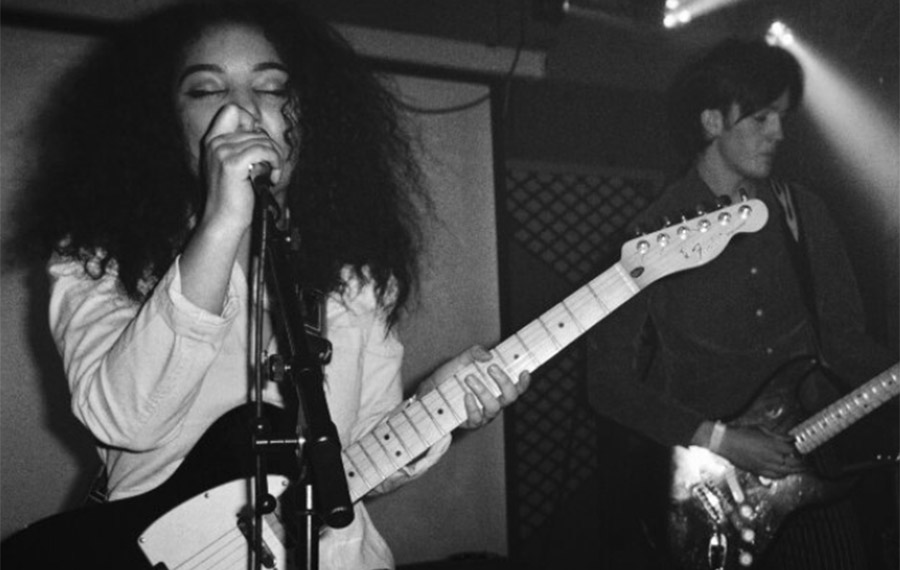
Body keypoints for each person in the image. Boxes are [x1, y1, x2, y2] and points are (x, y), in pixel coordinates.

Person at [3, 1, 530, 568]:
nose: (243, 110)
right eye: (206, 91)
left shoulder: (352, 278)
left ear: (304, 114)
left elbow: (353, 461)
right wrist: (222, 221)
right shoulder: (97, 258)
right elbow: (124, 419)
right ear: (162, 122)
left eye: (272, 87)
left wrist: (437, 406)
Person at [586, 38, 897, 569]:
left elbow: (845, 341)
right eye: (760, 118)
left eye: (780, 117)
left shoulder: (803, 210)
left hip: (816, 469)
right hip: (710, 491)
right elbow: (607, 384)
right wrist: (723, 439)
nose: (779, 133)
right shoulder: (650, 235)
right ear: (711, 122)